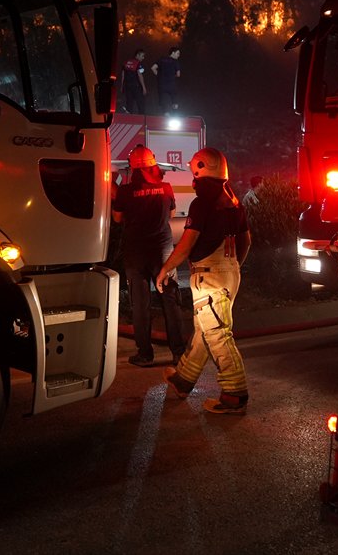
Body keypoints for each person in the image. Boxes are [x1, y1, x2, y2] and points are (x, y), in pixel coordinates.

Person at [155, 146, 252, 414]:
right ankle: (183, 379)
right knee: (205, 331)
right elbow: (246, 240)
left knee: (217, 334)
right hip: (229, 273)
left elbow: (186, 245)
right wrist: (232, 268)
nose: (193, 181)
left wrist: (165, 270)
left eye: (194, 175)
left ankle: (234, 394)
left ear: (202, 171)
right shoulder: (234, 202)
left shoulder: (202, 204)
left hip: (208, 277)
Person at [113, 145, 190, 367]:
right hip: (163, 253)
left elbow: (118, 219)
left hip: (135, 253)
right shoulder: (166, 188)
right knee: (170, 300)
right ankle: (178, 353)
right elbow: (172, 214)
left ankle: (145, 354)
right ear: (153, 165)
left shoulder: (126, 191)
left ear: (133, 169)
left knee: (140, 304)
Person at [151, 46, 182, 113]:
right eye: (178, 53)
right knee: (174, 101)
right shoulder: (175, 62)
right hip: (171, 85)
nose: (178, 55)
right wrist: (172, 76)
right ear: (173, 53)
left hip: (161, 84)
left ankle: (165, 115)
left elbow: (153, 68)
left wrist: (159, 76)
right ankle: (175, 115)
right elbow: (178, 74)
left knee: (163, 101)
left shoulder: (162, 59)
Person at [120, 48, 148, 114]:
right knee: (140, 103)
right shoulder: (138, 63)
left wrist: (122, 86)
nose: (143, 58)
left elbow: (123, 75)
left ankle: (129, 119)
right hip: (136, 86)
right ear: (137, 55)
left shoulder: (126, 62)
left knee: (129, 103)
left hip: (127, 86)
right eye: (142, 56)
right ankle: (141, 119)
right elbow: (140, 75)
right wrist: (144, 87)